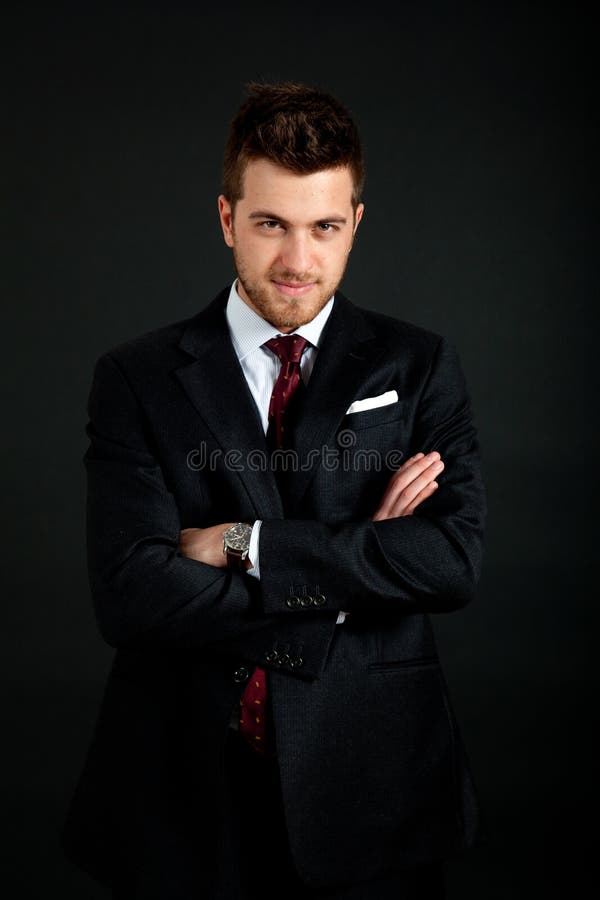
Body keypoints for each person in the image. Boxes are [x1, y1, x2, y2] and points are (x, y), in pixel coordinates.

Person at [61, 81, 487, 900]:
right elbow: (131, 594)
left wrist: (240, 546)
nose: (297, 261)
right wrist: (353, 576)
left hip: (373, 776)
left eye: (325, 227)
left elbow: (450, 561)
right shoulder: (136, 378)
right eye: (270, 225)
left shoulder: (419, 365)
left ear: (356, 225)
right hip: (184, 788)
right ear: (227, 219)